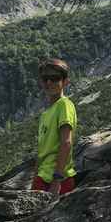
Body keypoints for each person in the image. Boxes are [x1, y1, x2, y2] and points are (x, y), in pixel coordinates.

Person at [32, 58, 78, 196]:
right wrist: (35, 177)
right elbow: (42, 151)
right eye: (45, 78)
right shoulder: (45, 114)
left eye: (55, 78)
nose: (49, 82)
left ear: (65, 82)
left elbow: (66, 142)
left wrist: (57, 180)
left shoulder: (64, 105)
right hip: (42, 177)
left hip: (57, 180)